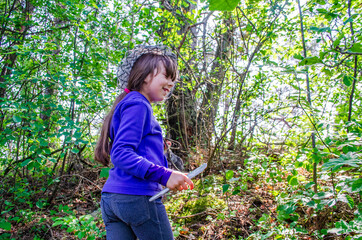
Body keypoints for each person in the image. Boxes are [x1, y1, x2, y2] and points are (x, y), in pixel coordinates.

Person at [94, 45, 194, 240]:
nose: (171, 83)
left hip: (112, 198)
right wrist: (164, 175)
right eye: (166, 76)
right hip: (137, 197)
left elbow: (129, 148)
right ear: (145, 75)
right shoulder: (139, 103)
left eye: (173, 80)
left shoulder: (128, 103)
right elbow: (121, 153)